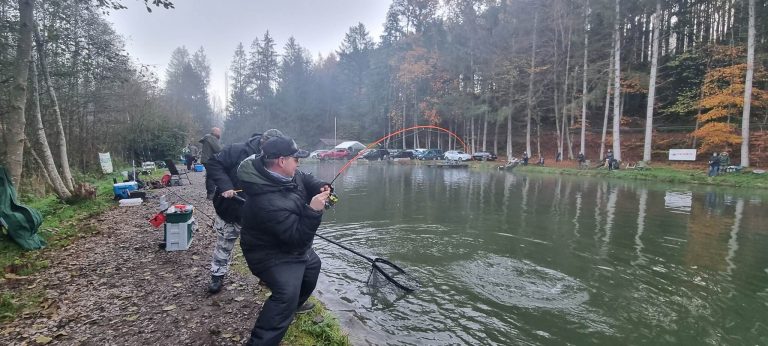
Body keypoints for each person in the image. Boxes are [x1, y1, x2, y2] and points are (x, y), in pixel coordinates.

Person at [236, 135, 331, 346]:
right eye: (296, 159)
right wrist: (313, 211)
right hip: (269, 254)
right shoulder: (266, 201)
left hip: (289, 244)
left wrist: (320, 186)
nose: (298, 163)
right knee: (286, 294)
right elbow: (296, 240)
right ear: (281, 161)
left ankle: (293, 308)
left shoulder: (284, 174)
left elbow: (304, 178)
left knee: (313, 266)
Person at [204, 129, 284, 294]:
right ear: (263, 141)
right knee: (224, 244)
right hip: (229, 208)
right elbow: (213, 163)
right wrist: (226, 186)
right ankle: (217, 275)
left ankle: (270, 280)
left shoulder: (276, 159)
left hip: (256, 213)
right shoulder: (237, 150)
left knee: (264, 247)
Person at [199, 127, 223, 200]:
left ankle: (210, 194)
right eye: (219, 132)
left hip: (206, 160)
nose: (220, 134)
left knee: (209, 176)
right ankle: (211, 194)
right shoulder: (212, 138)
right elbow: (218, 149)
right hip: (209, 160)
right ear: (215, 132)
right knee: (211, 177)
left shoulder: (208, 137)